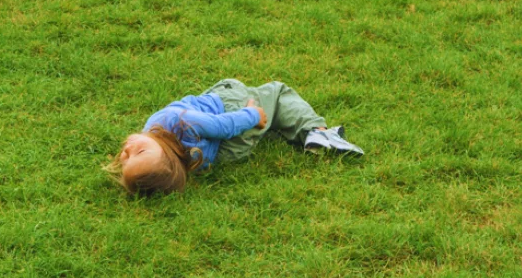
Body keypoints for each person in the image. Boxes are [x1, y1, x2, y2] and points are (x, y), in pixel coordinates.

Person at [107, 79, 363, 196]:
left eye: (125, 157)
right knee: (276, 93)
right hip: (232, 116)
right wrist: (251, 114)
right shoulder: (170, 122)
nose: (128, 149)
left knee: (272, 120)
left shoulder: (188, 165)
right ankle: (318, 132)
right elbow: (222, 126)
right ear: (168, 158)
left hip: (227, 155)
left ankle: (277, 127)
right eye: (137, 154)